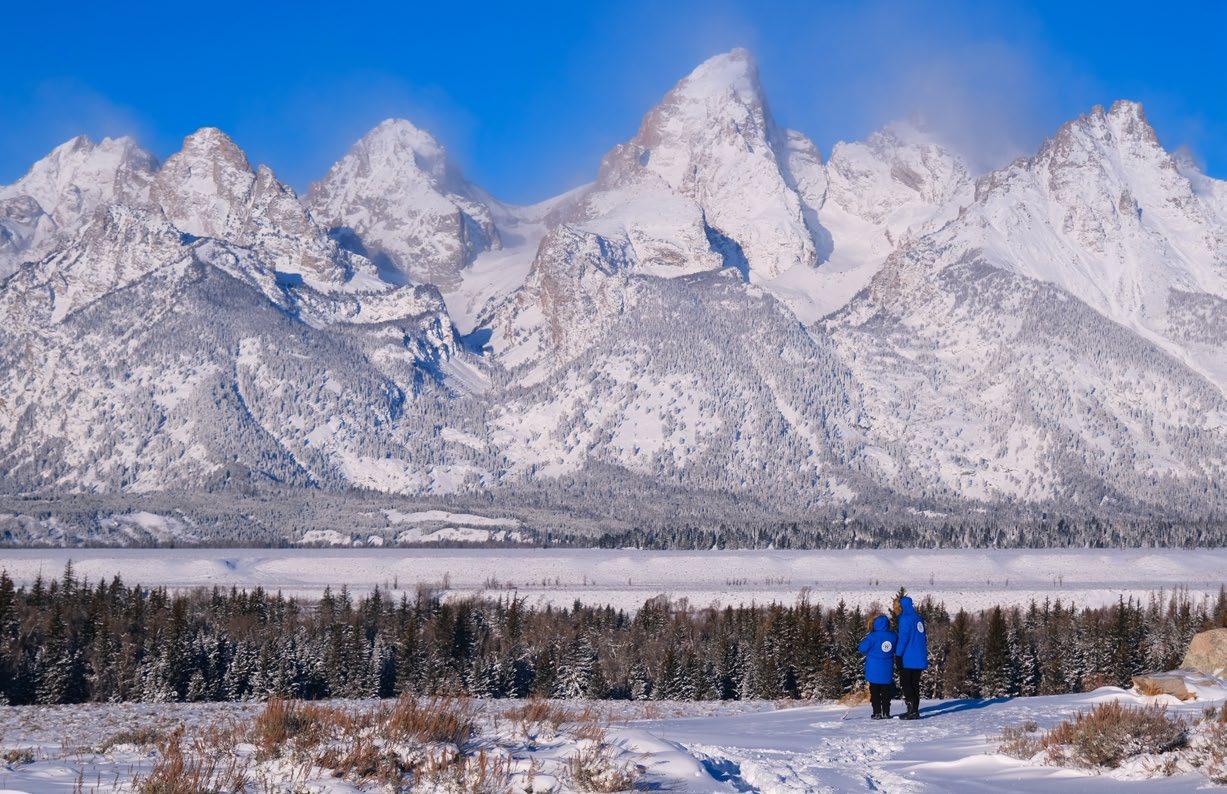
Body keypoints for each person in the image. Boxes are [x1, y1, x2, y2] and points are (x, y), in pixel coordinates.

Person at [893, 594, 928, 720]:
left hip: (908, 657)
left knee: (906, 683)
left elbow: (904, 638)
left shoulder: (905, 619)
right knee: (915, 684)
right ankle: (914, 710)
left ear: (901, 607)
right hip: (919, 656)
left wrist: (898, 655)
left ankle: (911, 710)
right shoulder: (918, 618)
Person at [857, 613, 897, 719]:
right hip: (887, 670)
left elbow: (862, 648)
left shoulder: (872, 636)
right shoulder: (893, 636)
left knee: (875, 693)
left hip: (873, 670)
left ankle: (877, 713)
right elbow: (897, 650)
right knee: (886, 693)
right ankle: (886, 712)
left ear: (875, 624)